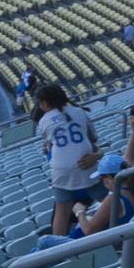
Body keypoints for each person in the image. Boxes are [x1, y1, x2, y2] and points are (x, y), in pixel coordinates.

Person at [36, 85, 101, 235]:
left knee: (61, 211)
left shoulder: (44, 120)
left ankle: (59, 248)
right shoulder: (79, 112)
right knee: (106, 198)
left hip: (62, 170)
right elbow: (93, 138)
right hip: (87, 164)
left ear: (45, 103)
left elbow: (49, 144)